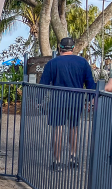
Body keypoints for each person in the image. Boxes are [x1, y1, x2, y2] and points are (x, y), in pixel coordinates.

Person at [40, 37, 96, 171]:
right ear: (73, 48)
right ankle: (73, 157)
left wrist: (39, 101)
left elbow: (43, 84)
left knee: (58, 130)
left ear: (59, 48)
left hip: (58, 101)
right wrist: (90, 100)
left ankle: (57, 161)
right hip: (76, 100)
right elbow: (90, 83)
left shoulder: (53, 63)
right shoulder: (83, 62)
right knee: (74, 128)